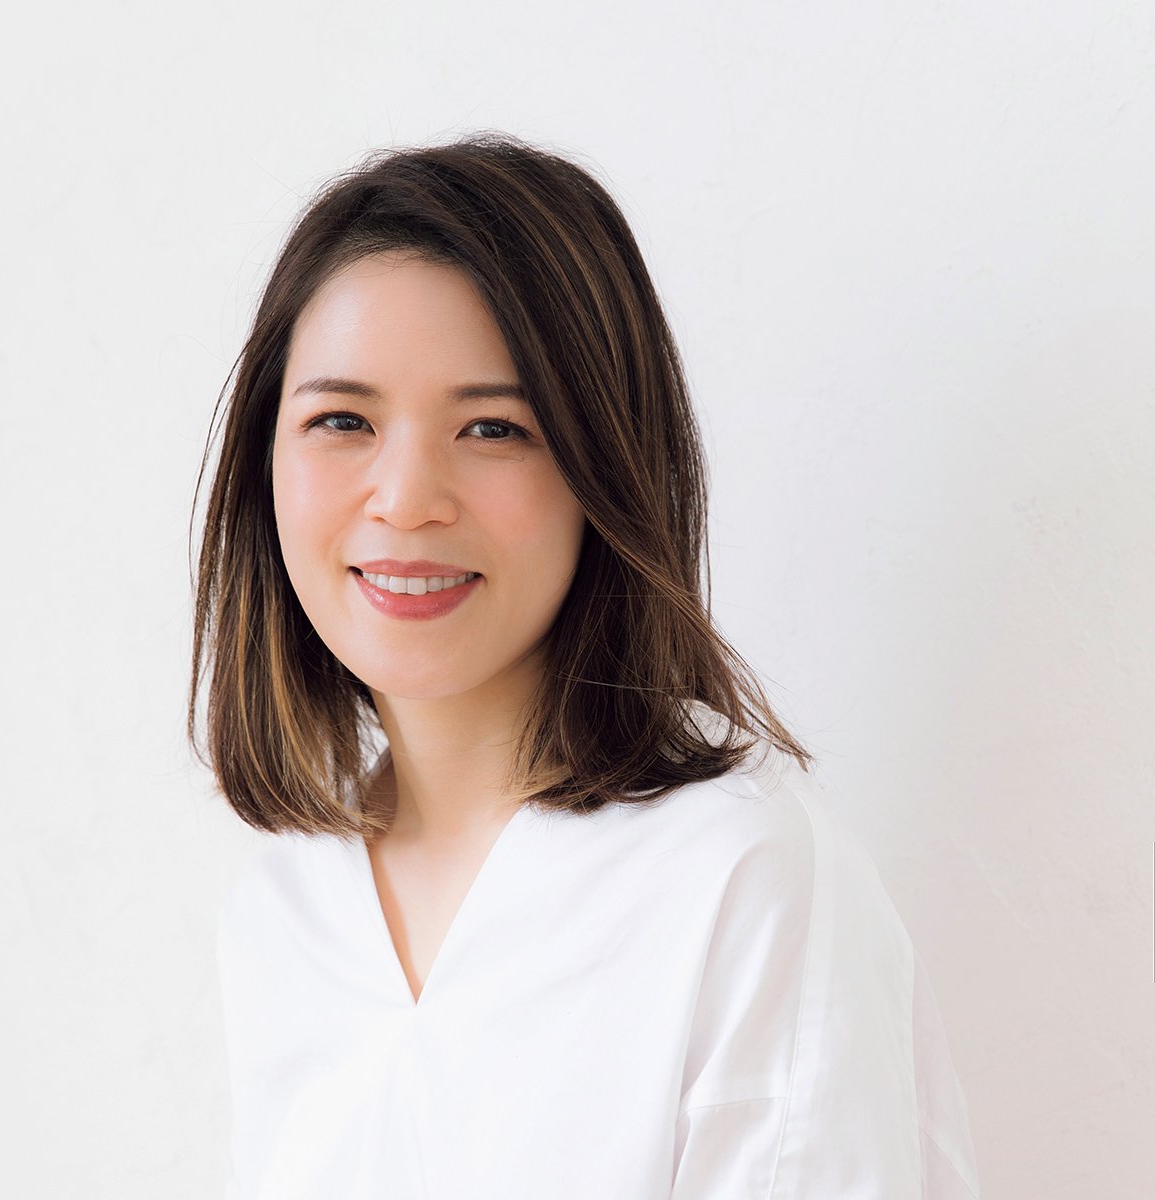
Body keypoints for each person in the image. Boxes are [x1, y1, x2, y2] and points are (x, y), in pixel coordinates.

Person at [190, 132, 981, 1199]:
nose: (407, 498)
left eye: (493, 428)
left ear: (604, 463)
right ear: (264, 464)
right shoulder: (282, 912)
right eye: (341, 419)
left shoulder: (737, 879)